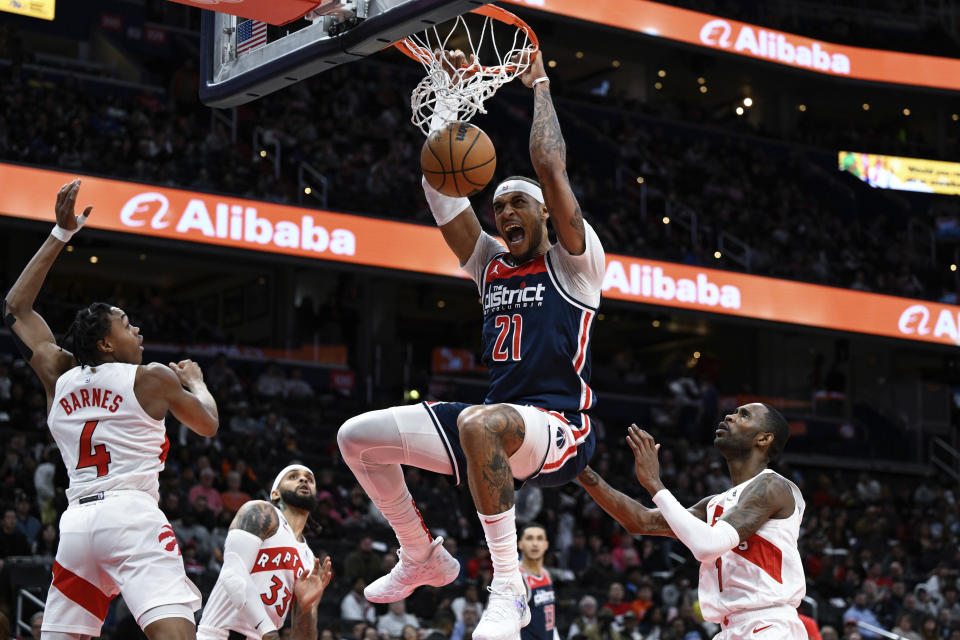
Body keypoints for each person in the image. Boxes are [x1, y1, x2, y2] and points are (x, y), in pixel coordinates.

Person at [337, 49, 604, 640]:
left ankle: (509, 587)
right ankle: (420, 553)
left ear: (546, 216)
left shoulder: (577, 263)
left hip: (561, 426)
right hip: (495, 426)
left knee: (481, 423)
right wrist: (449, 97)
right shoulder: (489, 264)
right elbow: (441, 188)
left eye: (518, 204)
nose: (504, 211)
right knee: (355, 438)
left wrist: (539, 86)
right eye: (499, 204)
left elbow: (549, 165)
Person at [3, 178, 220, 639]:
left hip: (78, 525)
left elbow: (16, 308)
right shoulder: (152, 378)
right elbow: (208, 424)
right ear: (105, 342)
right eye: (125, 323)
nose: (136, 328)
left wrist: (59, 235)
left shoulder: (57, 372)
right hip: (131, 517)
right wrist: (198, 383)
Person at [578, 403, 806, 639]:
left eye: (744, 415)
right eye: (735, 412)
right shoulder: (715, 504)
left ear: (764, 439)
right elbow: (640, 522)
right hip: (731, 629)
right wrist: (580, 470)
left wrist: (654, 484)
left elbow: (707, 546)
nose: (730, 416)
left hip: (769, 625)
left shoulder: (773, 486)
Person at [197, 464, 331, 640]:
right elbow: (232, 573)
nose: (304, 479)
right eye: (293, 476)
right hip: (222, 634)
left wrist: (306, 609)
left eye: (310, 479)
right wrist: (267, 630)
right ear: (275, 493)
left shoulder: (309, 561)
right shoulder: (261, 512)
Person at [519, 523, 559, 640]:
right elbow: (512, 613)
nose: (535, 544)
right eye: (529, 538)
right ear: (520, 544)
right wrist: (518, 603)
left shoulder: (546, 573)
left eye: (539, 538)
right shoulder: (517, 576)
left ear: (546, 545)